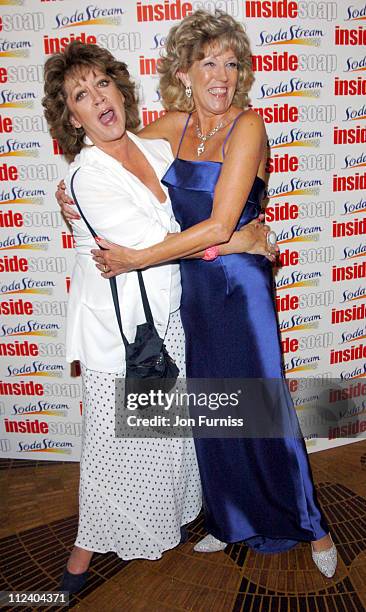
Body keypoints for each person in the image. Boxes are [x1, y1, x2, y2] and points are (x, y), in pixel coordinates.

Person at [83, 11, 337, 578]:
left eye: (230, 64)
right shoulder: (173, 126)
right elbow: (114, 153)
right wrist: (71, 184)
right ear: (184, 70)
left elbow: (222, 225)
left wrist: (137, 257)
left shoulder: (247, 127)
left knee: (263, 406)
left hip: (237, 285)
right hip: (192, 287)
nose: (221, 75)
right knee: (215, 410)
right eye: (208, 62)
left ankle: (312, 523)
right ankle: (229, 520)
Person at [45, 40, 274, 593]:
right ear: (71, 117)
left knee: (168, 440)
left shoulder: (151, 148)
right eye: (81, 93)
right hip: (126, 329)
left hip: (175, 310)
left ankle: (175, 518)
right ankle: (83, 554)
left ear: (121, 89)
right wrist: (239, 235)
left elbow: (196, 203)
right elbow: (158, 240)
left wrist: (227, 226)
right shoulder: (89, 176)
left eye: (103, 83)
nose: (98, 97)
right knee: (114, 447)